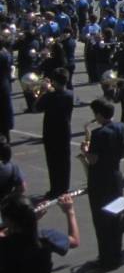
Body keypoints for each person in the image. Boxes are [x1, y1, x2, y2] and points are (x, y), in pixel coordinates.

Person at [81, 98, 124, 269]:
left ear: (100, 114)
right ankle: (116, 254)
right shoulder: (121, 127)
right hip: (116, 176)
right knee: (115, 217)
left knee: (101, 220)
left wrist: (85, 151)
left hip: (99, 180)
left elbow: (93, 160)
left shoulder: (98, 134)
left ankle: (105, 258)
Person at [35, 68, 74, 197]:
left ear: (55, 82)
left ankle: (55, 188)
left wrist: (43, 90)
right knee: (64, 161)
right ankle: (64, 187)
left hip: (51, 132)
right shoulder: (70, 94)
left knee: (53, 162)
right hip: (64, 131)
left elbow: (37, 107)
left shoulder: (49, 96)